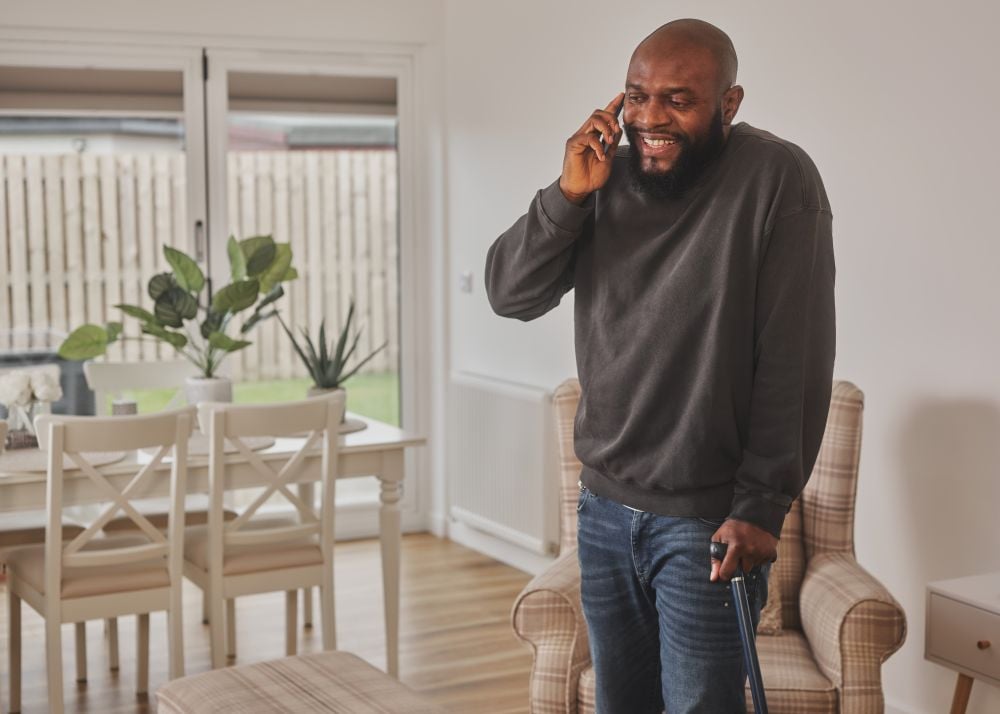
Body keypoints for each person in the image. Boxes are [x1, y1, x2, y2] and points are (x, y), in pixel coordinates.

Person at [484, 18, 836, 714]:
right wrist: (567, 196)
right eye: (636, 96)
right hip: (605, 509)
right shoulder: (601, 175)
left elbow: (794, 355)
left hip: (705, 523)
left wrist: (763, 506)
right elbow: (510, 294)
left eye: (678, 100)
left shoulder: (777, 179)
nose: (651, 117)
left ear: (728, 106)